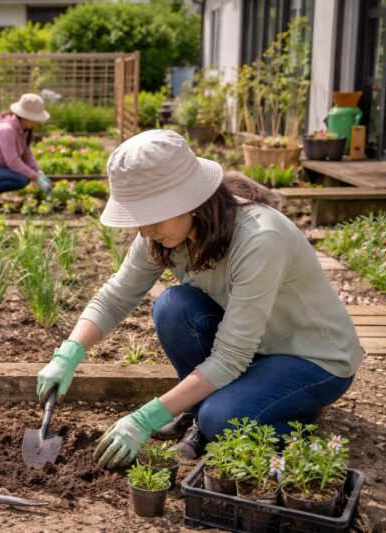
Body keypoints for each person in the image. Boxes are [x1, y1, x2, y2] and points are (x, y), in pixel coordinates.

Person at [36, 129, 363, 469]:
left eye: (151, 216)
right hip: (253, 348)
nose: (144, 231)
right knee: (173, 307)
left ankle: (295, 412)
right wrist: (68, 354)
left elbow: (230, 357)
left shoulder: (260, 238)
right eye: (137, 218)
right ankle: (207, 410)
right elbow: (116, 296)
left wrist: (146, 417)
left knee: (219, 421)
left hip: (312, 359)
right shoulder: (164, 234)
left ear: (188, 201)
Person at [0, 93, 52, 198]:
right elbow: (13, 162)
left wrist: (39, 172)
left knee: (25, 177)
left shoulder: (23, 130)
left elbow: (27, 155)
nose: (38, 121)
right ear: (26, 116)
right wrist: (36, 178)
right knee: (21, 180)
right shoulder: (6, 130)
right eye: (36, 118)